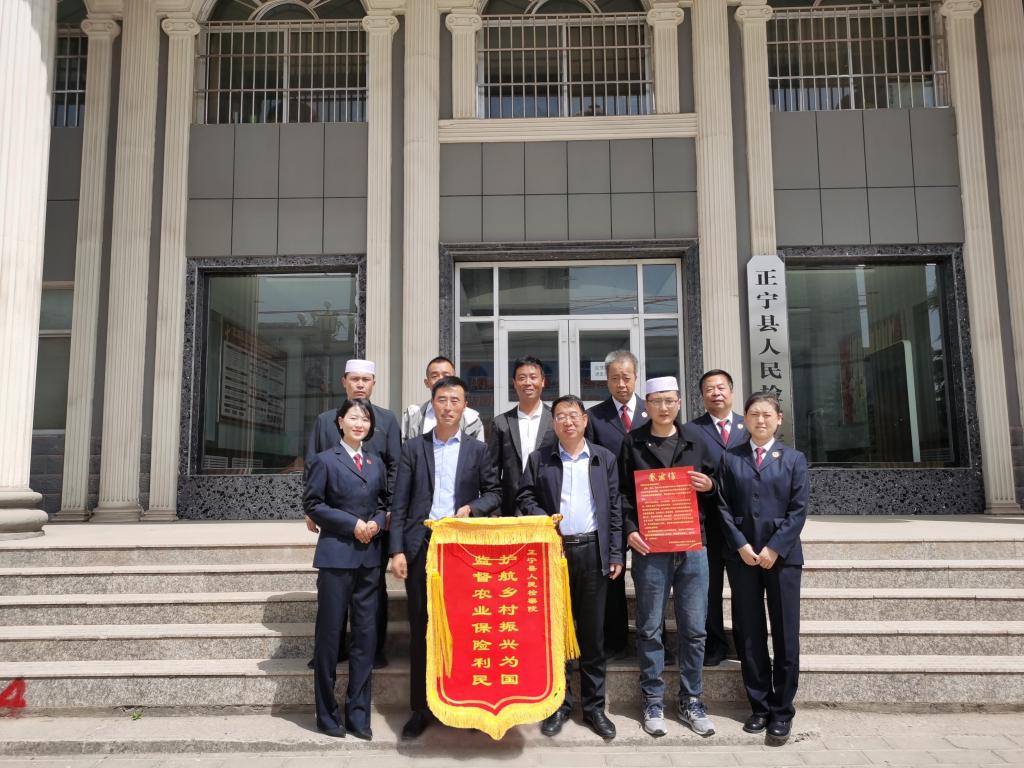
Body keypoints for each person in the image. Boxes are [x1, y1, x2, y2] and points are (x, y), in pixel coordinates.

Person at [389, 375, 501, 740]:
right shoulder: (413, 448)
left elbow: (495, 493)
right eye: (442, 400)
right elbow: (400, 503)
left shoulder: (477, 450)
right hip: (421, 545)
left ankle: (465, 706)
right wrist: (397, 550)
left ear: (465, 406)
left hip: (461, 549)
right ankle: (421, 708)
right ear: (432, 403)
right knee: (422, 627)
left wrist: (473, 507)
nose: (448, 407)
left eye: (455, 400)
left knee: (464, 627)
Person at [518, 394, 624, 741]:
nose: (568, 421)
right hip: (555, 553)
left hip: (594, 552)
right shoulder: (540, 459)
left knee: (592, 635)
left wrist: (615, 553)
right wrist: (544, 519)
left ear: (585, 420)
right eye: (561, 416)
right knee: (556, 632)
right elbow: (525, 497)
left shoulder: (603, 458)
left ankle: (594, 708)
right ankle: (559, 704)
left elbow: (615, 508)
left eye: (574, 415)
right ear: (554, 423)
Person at [618, 376, 718, 739]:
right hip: (650, 548)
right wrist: (630, 530)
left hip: (692, 546)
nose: (664, 407)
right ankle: (653, 699)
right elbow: (622, 494)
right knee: (649, 627)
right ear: (646, 405)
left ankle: (691, 699)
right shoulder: (633, 442)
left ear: (679, 403)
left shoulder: (697, 440)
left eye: (670, 401)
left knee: (694, 628)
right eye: (657, 401)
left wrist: (710, 485)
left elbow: (718, 483)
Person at [717, 392, 807, 746]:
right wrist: (740, 545)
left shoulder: (794, 459)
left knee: (785, 633)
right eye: (754, 414)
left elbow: (798, 510)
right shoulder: (731, 458)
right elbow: (722, 507)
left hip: (782, 558)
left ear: (778, 419)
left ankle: (782, 711)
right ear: (745, 418)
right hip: (743, 558)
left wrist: (774, 548)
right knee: (750, 632)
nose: (761, 420)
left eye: (767, 414)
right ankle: (759, 706)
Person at [305, 358, 400, 669]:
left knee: (374, 587)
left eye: (366, 379)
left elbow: (395, 466)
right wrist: (310, 509)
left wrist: (388, 511)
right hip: (337, 518)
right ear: (343, 382)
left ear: (373, 384)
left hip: (374, 519)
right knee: (333, 588)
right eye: (354, 379)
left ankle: (374, 650)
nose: (360, 384)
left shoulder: (387, 419)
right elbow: (312, 463)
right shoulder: (325, 420)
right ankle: (332, 651)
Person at [303, 399, 388, 741]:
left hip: (369, 559)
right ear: (340, 422)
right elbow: (313, 504)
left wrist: (377, 522)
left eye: (365, 419)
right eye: (353, 417)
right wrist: (352, 524)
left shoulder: (376, 462)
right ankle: (326, 714)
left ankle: (358, 714)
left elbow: (383, 502)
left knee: (365, 637)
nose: (359, 423)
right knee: (329, 635)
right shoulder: (325, 460)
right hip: (336, 558)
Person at [584, 349, 649, 660]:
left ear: (636, 377)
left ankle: (654, 642)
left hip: (651, 506)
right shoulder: (595, 417)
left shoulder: (653, 410)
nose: (621, 384)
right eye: (614, 378)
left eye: (626, 377)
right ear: (606, 381)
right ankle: (615, 641)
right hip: (611, 506)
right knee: (612, 574)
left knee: (652, 578)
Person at [686, 369, 745, 667]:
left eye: (721, 387)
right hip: (706, 521)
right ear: (702, 396)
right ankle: (714, 645)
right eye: (709, 389)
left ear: (731, 392)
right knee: (708, 588)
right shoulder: (690, 430)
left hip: (743, 523)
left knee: (744, 588)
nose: (716, 393)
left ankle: (746, 644)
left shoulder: (749, 425)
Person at [488, 355, 555, 517]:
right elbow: (492, 471)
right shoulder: (501, 423)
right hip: (512, 507)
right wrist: (494, 510)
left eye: (533, 377)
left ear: (543, 381)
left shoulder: (555, 420)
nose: (528, 382)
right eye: (522, 378)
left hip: (549, 505)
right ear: (514, 383)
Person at [402, 356, 485, 442]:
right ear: (427, 383)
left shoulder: (471, 418)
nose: (441, 380)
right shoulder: (413, 414)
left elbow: (478, 449)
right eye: (434, 376)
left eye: (446, 375)